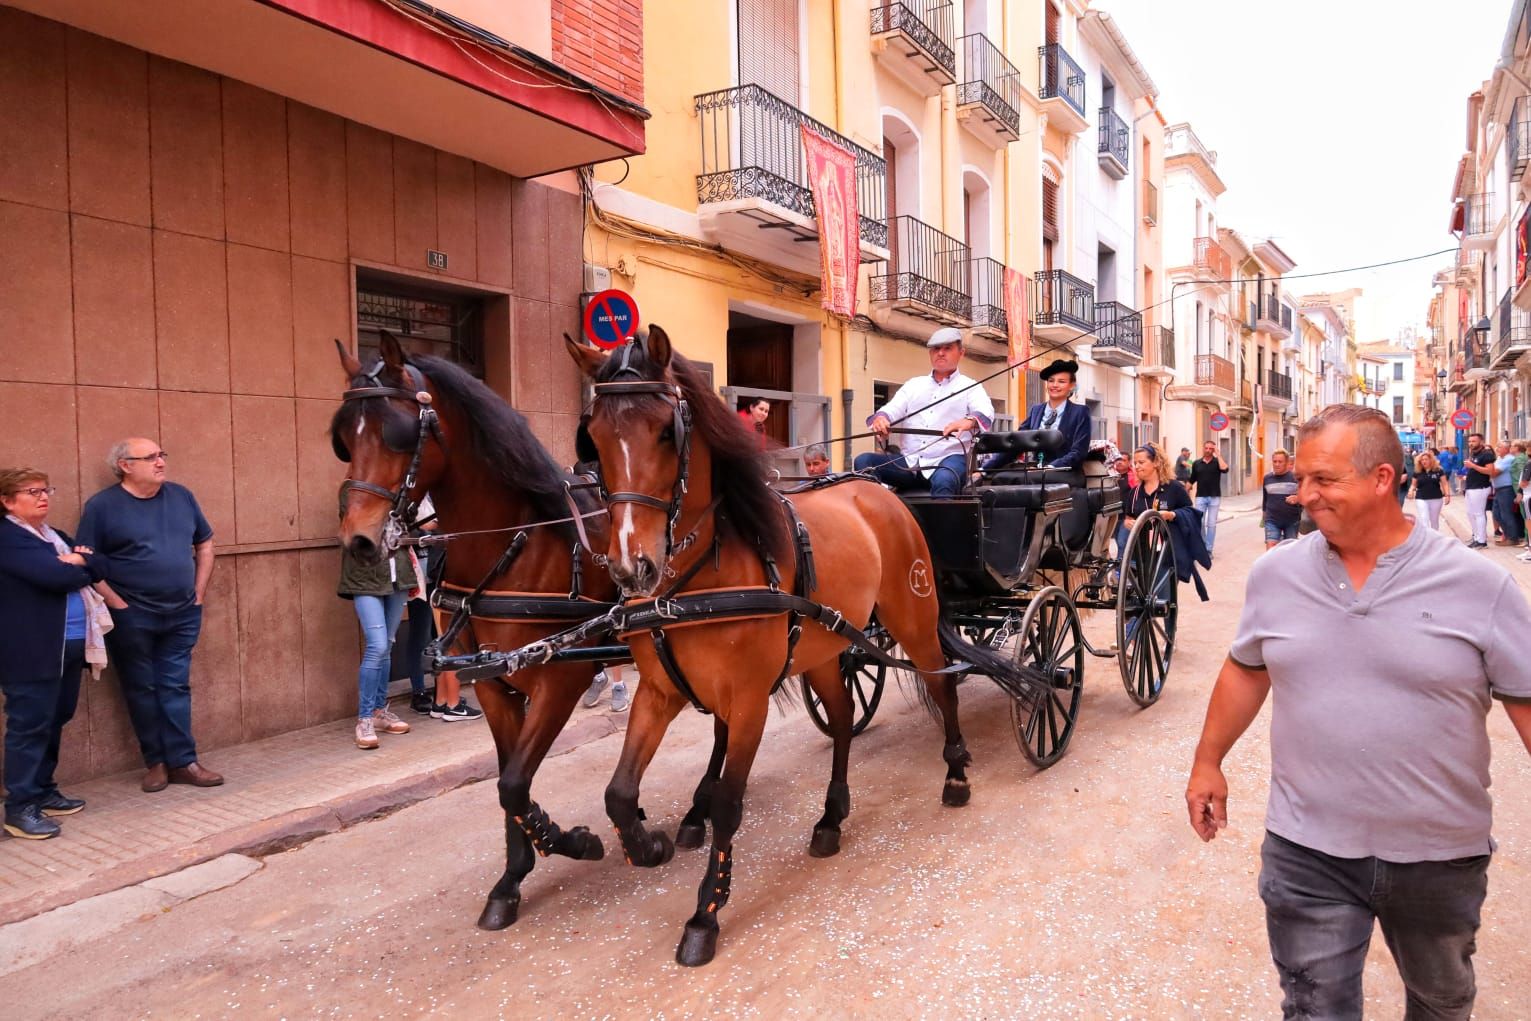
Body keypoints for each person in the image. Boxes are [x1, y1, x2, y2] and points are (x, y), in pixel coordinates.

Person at [1185, 403, 1531, 1021]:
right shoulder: (1276, 574)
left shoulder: (1479, 585)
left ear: (1382, 479)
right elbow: (1246, 667)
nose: (1303, 496)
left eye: (1324, 479)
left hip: (1438, 853)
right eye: (1302, 479)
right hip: (1306, 848)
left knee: (1440, 1004)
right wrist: (1208, 761)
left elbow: (1526, 699)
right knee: (1314, 1009)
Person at [77, 439, 223, 793]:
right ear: (126, 465)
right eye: (151, 457)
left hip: (182, 612)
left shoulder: (181, 496)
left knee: (175, 686)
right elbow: (86, 560)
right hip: (132, 614)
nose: (160, 462)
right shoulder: (102, 506)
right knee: (141, 687)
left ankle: (183, 761)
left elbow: (204, 543)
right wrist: (116, 603)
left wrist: (199, 592)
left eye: (162, 455)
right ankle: (155, 762)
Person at [0, 470, 110, 839]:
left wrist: (80, 562)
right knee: (29, 725)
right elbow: (54, 578)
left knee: (56, 717)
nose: (43, 496)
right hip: (31, 648)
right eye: (32, 492)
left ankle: (44, 790)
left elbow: (102, 564)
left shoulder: (55, 536)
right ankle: (20, 807)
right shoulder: (8, 537)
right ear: (7, 501)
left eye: (46, 489)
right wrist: (79, 565)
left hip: (71, 643)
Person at [854, 327, 993, 497]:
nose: (940, 353)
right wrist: (881, 418)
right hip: (909, 463)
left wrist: (969, 421)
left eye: (947, 348)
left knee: (945, 480)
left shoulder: (971, 387)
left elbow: (985, 411)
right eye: (936, 349)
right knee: (864, 462)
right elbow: (892, 408)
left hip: (948, 460)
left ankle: (942, 524)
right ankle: (876, 518)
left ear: (961, 353)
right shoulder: (914, 385)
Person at [338, 541, 415, 749]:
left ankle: (379, 711)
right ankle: (364, 719)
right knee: (378, 646)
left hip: (397, 575)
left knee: (387, 645)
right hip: (366, 577)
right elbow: (356, 534)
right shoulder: (357, 506)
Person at [981, 357, 1092, 475]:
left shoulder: (1080, 412)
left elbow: (1079, 452)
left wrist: (1050, 467)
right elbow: (1016, 444)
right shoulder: (1036, 411)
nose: (1055, 385)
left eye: (1061, 381)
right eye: (1051, 380)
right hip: (1036, 471)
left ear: (1072, 385)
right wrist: (984, 470)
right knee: (1002, 479)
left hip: (1065, 472)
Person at [1186, 440, 1229, 559]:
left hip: (1214, 497)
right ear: (1203, 448)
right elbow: (1192, 479)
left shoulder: (1217, 463)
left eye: (1211, 449)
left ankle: (1209, 549)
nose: (1208, 451)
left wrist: (1218, 455)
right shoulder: (1197, 463)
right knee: (1199, 523)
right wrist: (1184, 491)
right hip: (1200, 497)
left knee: (1211, 524)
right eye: (1207, 448)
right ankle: (1203, 546)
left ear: (1214, 450)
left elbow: (1225, 469)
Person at [1260, 449, 1301, 548]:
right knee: (1270, 550)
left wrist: (1298, 498)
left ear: (1286, 463)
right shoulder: (1267, 478)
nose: (1277, 464)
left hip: (1292, 521)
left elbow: (1306, 496)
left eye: (1280, 462)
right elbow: (1265, 499)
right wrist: (1264, 516)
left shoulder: (1296, 478)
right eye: (1275, 461)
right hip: (1272, 520)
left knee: (1290, 551)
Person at [1462, 432, 1495, 548]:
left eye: (1473, 441)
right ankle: (1476, 537)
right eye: (1470, 441)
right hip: (1471, 486)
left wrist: (1473, 466)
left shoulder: (1486, 454)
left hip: (1480, 487)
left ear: (1481, 442)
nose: (1471, 444)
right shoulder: (1473, 454)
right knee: (1470, 513)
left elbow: (1490, 471)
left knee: (1479, 513)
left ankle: (1482, 540)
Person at [1490, 440, 1523, 546]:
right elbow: (1491, 471)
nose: (1497, 448)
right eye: (1497, 446)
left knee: (1506, 514)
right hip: (1498, 489)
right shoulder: (1500, 458)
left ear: (1507, 449)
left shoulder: (1509, 459)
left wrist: (1477, 468)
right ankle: (1508, 535)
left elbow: (1494, 473)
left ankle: (1513, 538)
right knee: (1497, 514)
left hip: (1506, 489)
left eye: (1500, 447)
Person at [1410, 450, 1450, 531]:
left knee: (1434, 521)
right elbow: (1413, 484)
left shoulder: (1438, 470)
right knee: (1424, 519)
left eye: (1426, 459)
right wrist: (1411, 491)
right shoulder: (1417, 472)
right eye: (1422, 460)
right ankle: (1427, 540)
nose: (1424, 461)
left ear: (1431, 460)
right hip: (1421, 498)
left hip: (1436, 498)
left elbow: (1445, 483)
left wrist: (1447, 495)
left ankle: (1435, 539)